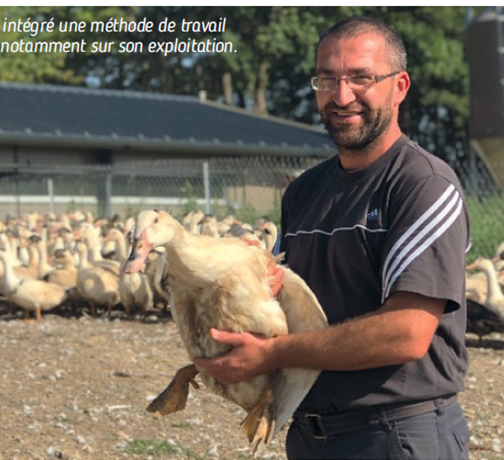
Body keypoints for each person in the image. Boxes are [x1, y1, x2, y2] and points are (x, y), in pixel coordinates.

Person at [191, 17, 471, 459]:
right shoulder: (304, 191)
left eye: (361, 77)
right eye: (327, 79)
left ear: (399, 86)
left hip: (397, 436)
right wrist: (246, 279)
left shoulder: (423, 183)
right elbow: (290, 300)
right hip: (311, 434)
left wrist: (272, 355)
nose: (342, 97)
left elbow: (407, 333)